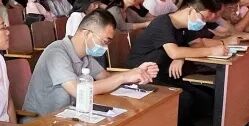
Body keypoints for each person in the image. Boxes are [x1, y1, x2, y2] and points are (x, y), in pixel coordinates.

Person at [26, 10, 158, 115]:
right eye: (105, 41)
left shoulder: (85, 55)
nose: (105, 47)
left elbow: (106, 78)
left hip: (68, 114)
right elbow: (78, 90)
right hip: (41, 120)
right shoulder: (56, 52)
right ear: (87, 34)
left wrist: (136, 73)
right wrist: (124, 76)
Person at [125, 0, 228, 126]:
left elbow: (195, 45)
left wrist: (181, 57)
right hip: (144, 75)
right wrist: (212, 51)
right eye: (203, 18)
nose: (203, 23)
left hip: (165, 74)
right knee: (185, 99)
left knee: (209, 97)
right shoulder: (162, 23)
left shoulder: (187, 26)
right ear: (190, 10)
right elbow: (173, 52)